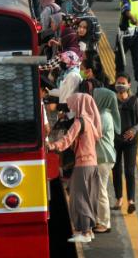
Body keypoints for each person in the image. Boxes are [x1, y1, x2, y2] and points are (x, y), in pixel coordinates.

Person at [47, 93, 102, 243]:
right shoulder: (90, 121)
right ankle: (88, 230)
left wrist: (53, 145)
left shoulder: (79, 122)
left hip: (83, 164)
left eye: (73, 104)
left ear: (79, 104)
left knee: (78, 197)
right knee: (89, 197)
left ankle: (84, 232)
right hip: (92, 164)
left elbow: (67, 139)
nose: (71, 108)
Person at [112, 73, 138, 214]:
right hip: (115, 140)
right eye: (118, 83)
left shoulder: (134, 101)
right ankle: (119, 198)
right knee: (116, 169)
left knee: (129, 170)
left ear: (129, 85)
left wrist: (134, 130)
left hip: (131, 141)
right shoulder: (112, 100)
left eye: (123, 83)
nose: (120, 85)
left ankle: (131, 201)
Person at [93, 87, 119, 234]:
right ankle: (101, 220)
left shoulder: (103, 116)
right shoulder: (105, 114)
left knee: (101, 190)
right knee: (100, 189)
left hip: (103, 157)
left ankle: (104, 223)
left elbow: (94, 134)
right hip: (104, 156)